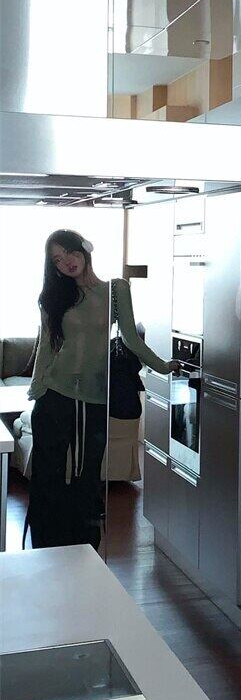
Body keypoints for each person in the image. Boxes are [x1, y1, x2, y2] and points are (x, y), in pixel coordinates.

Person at [26, 229, 177, 551]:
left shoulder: (115, 290)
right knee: (47, 475)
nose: (66, 262)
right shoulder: (54, 297)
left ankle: (83, 549)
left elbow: (131, 339)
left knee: (89, 476)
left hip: (94, 398)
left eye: (69, 252)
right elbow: (47, 347)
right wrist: (37, 389)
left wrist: (162, 366)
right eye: (57, 260)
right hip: (55, 394)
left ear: (84, 250)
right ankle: (45, 549)